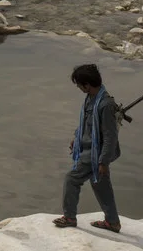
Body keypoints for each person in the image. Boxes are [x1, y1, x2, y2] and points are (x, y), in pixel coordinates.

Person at [53, 64, 122, 233]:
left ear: (87, 84)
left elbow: (110, 136)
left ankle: (69, 217)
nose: (78, 88)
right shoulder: (91, 98)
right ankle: (112, 222)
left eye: (78, 84)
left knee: (71, 179)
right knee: (101, 185)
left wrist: (103, 161)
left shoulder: (105, 104)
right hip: (87, 148)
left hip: (94, 153)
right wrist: (76, 138)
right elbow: (86, 124)